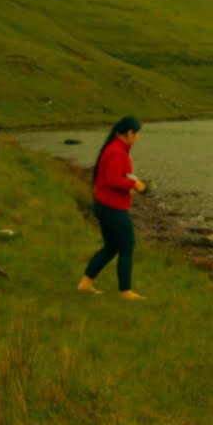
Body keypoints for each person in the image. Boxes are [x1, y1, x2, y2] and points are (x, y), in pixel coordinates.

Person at [78, 116, 148, 300]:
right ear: (129, 133)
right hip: (112, 208)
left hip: (105, 205)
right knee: (127, 247)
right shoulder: (116, 151)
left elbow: (115, 177)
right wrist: (134, 184)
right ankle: (125, 291)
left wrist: (130, 184)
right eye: (137, 133)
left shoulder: (116, 148)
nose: (138, 137)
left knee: (111, 247)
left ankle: (85, 283)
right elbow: (113, 179)